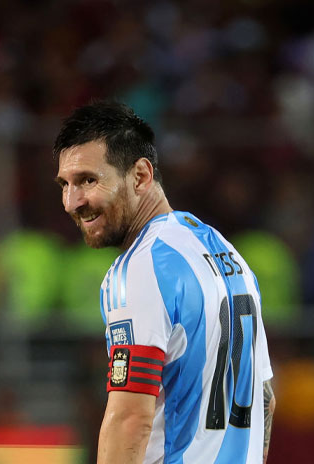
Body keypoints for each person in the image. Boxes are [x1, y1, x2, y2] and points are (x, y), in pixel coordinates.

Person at [53, 101, 276, 464]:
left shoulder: (141, 269)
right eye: (65, 184)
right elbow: (264, 395)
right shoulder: (228, 254)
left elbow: (130, 418)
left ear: (140, 175)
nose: (72, 202)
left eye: (88, 180)